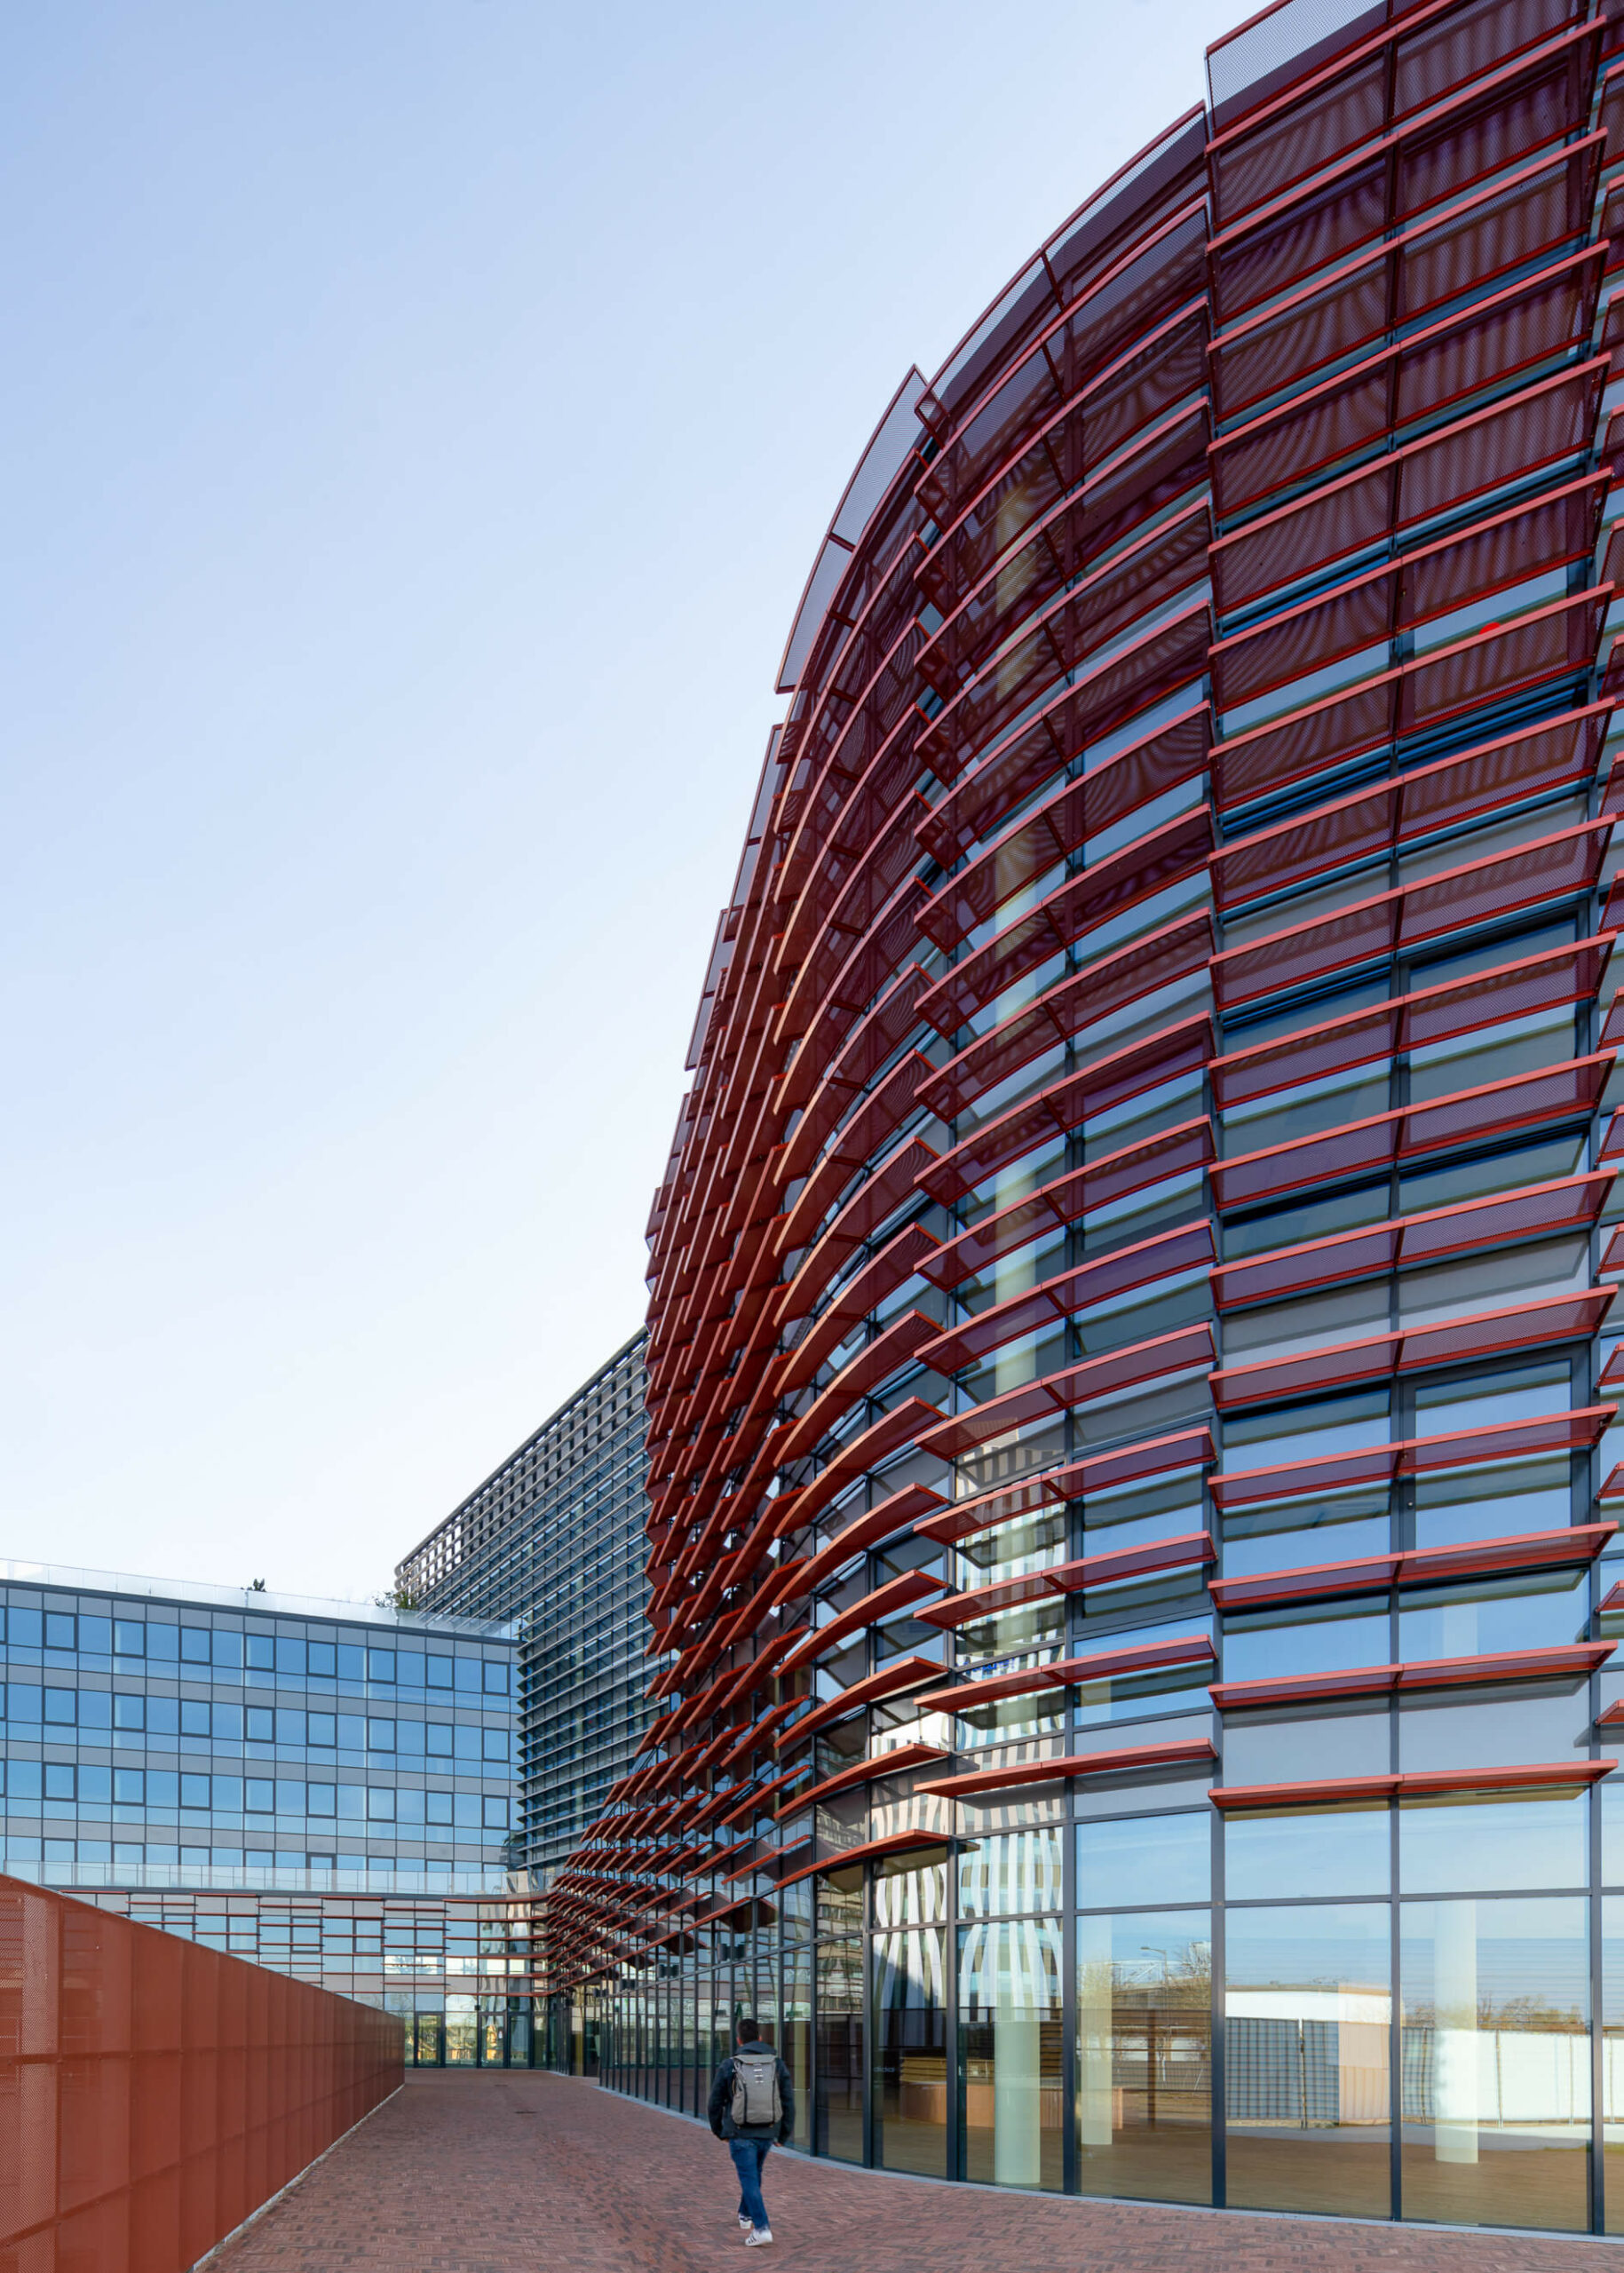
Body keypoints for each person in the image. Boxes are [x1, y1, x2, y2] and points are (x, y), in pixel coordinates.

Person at [708, 2016, 794, 2247]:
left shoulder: (730, 2064)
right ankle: (745, 2215)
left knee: (750, 2180)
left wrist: (720, 2131)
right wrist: (783, 2134)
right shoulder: (777, 2063)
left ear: (739, 2040)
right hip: (767, 2131)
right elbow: (788, 2101)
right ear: (760, 2038)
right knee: (753, 2176)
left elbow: (715, 2102)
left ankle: (762, 2228)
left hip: (740, 2133)